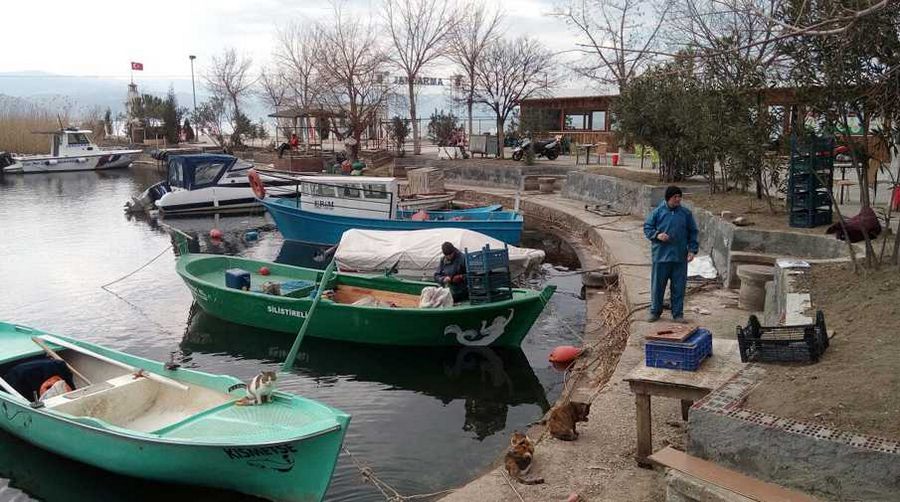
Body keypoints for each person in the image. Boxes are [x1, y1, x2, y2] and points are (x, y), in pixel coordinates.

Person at [643, 186, 699, 323]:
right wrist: (657, 235)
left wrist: (692, 250)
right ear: (668, 198)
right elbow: (647, 227)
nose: (678, 199)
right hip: (661, 256)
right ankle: (655, 311)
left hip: (679, 257)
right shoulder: (657, 212)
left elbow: (693, 232)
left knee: (679, 287)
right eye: (675, 197)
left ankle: (678, 313)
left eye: (679, 197)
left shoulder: (686, 214)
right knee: (658, 286)